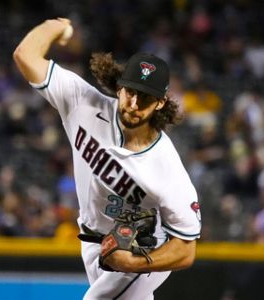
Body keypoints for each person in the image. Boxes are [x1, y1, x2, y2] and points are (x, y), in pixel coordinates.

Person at [13, 18, 201, 300]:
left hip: (143, 246)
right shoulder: (83, 104)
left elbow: (186, 250)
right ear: (120, 87)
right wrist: (56, 25)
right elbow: (25, 56)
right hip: (91, 239)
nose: (135, 104)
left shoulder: (167, 167)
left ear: (161, 102)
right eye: (131, 92)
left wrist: (135, 263)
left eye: (146, 98)